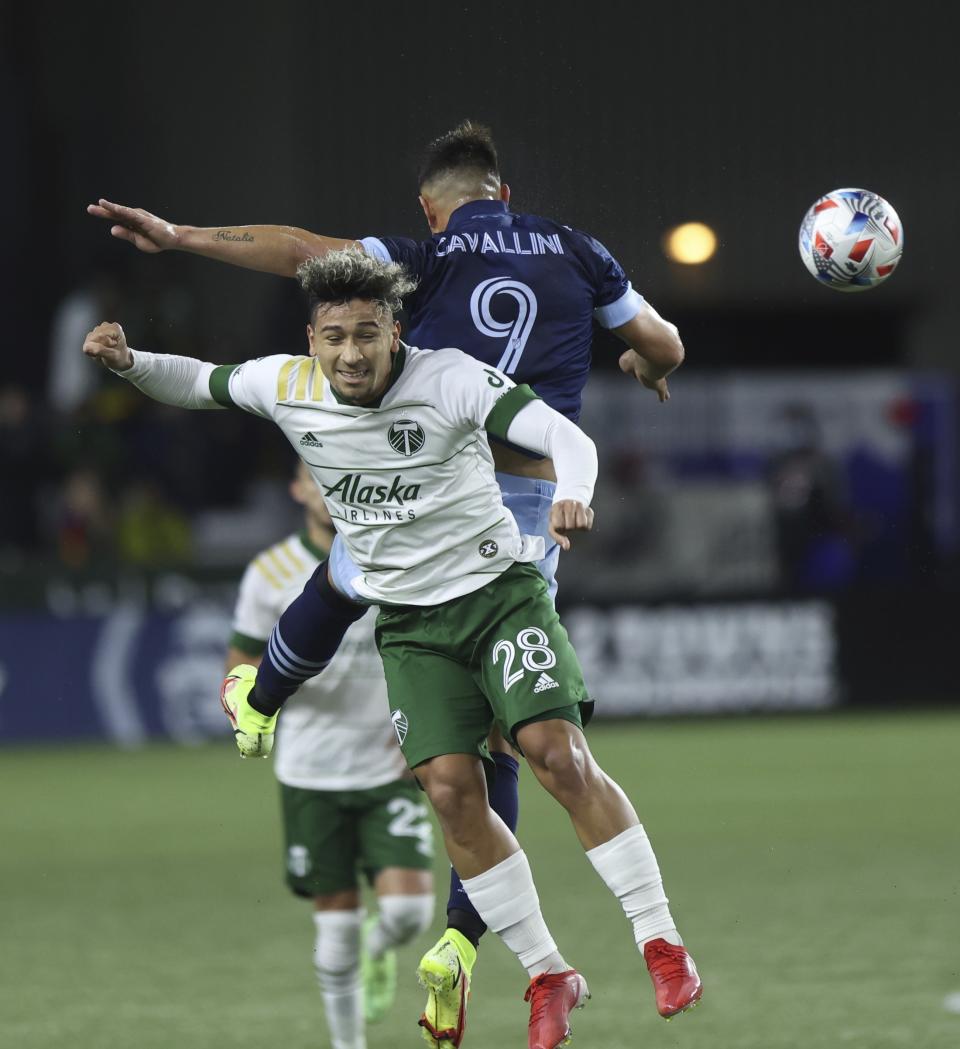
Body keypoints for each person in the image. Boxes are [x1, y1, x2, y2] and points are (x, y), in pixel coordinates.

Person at [88, 121, 686, 1045]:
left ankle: (532, 936)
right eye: (338, 336)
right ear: (506, 192)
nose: (353, 348)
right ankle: (489, 948)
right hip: (485, 528)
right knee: (462, 766)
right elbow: (661, 341)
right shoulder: (578, 249)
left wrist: (184, 238)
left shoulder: (431, 274)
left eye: (367, 332)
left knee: (512, 725)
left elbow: (297, 251)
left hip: (487, 525)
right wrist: (648, 362)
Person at [226, 459, 435, 1049]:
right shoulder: (270, 572)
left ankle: (379, 950)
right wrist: (266, 694)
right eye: (314, 477)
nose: (326, 487)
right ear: (296, 488)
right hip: (311, 771)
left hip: (389, 764)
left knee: (407, 917)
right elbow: (238, 664)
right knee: (335, 924)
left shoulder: (393, 552)